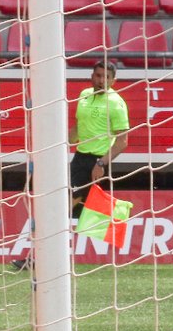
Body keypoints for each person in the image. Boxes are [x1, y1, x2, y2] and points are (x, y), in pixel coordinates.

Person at [12, 61, 129, 270]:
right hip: (79, 159)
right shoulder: (84, 95)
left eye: (106, 77)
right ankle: (47, 259)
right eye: (98, 75)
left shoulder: (117, 103)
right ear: (92, 76)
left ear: (113, 80)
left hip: (96, 163)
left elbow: (122, 141)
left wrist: (101, 163)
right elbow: (78, 129)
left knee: (57, 209)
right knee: (68, 211)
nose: (102, 80)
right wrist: (60, 145)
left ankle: (40, 261)